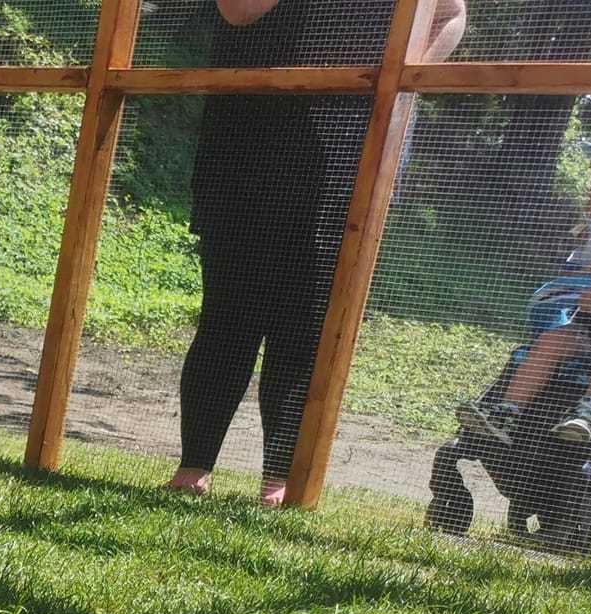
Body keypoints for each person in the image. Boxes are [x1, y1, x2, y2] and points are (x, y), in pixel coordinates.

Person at [167, 0, 466, 506]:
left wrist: (399, 78)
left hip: (353, 149)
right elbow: (238, 12)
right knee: (228, 315)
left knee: (306, 325)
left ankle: (281, 481)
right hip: (248, 144)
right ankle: (193, 467)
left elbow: (452, 13)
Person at [457, 218, 591, 446]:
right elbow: (566, 277)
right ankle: (506, 413)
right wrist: (589, 272)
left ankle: (585, 414)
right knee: (551, 341)